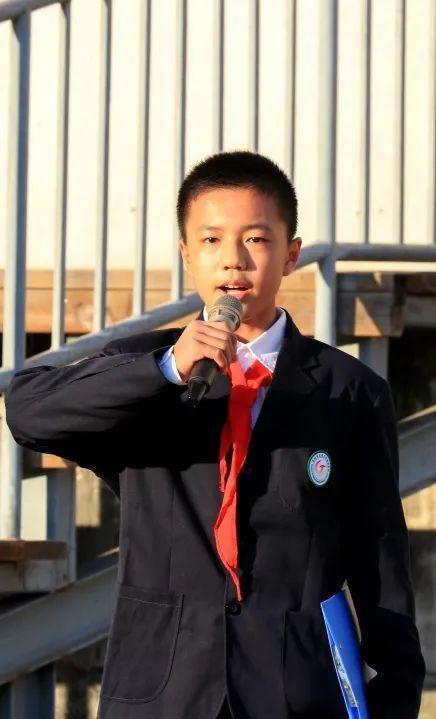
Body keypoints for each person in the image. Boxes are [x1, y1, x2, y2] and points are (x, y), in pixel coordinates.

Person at [5, 150, 425, 719]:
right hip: (161, 692)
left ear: (291, 254)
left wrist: (395, 694)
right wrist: (166, 371)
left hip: (294, 693)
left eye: (256, 239)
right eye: (211, 240)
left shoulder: (350, 391)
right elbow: (28, 412)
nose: (233, 260)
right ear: (186, 255)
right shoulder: (145, 370)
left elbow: (378, 557)